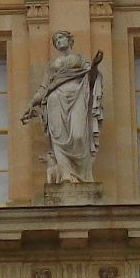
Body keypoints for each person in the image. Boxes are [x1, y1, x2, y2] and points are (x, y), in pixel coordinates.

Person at [22, 30, 104, 184]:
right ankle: (66, 174)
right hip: (55, 99)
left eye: (61, 37)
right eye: (56, 40)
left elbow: (91, 78)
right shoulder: (51, 66)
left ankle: (82, 175)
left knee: (79, 135)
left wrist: (95, 65)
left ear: (70, 40)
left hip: (78, 95)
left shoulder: (80, 59)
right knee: (58, 138)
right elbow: (43, 88)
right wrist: (31, 103)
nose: (58, 41)